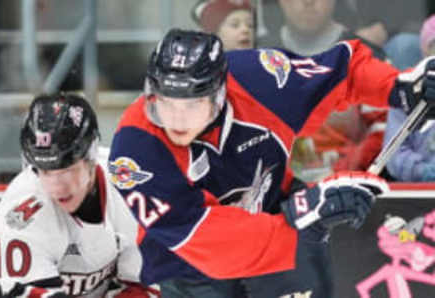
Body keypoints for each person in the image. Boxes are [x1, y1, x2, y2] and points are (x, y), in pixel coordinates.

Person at [107, 28, 435, 297]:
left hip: (275, 215)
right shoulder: (135, 149)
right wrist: (303, 214)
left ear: (219, 94)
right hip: (190, 266)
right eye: (165, 104)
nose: (176, 120)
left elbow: (341, 74)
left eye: (191, 105)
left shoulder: (262, 78)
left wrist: (401, 87)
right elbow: (201, 236)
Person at [0, 93, 160, 297]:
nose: (57, 186)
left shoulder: (132, 188)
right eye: (46, 171)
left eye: (67, 169)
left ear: (91, 155)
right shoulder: (17, 220)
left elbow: (144, 286)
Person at [258, 0, 388, 179]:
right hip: (273, 193)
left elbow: (385, 129)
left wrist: (346, 173)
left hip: (348, 187)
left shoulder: (366, 55)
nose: (308, 2)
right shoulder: (257, 55)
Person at [384, 15, 435, 182]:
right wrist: (423, 171)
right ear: (425, 50)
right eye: (434, 44)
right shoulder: (407, 92)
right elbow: (393, 153)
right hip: (417, 196)